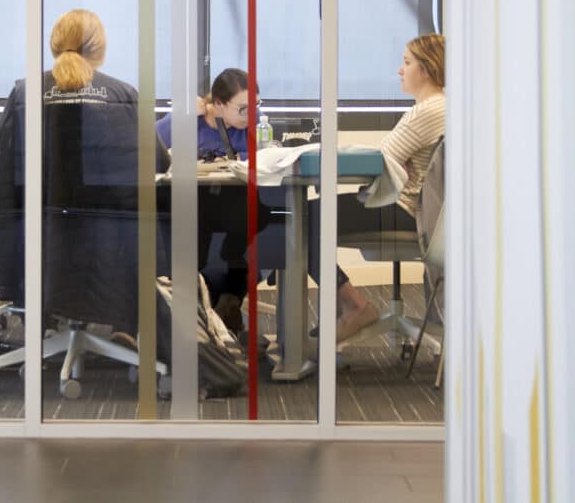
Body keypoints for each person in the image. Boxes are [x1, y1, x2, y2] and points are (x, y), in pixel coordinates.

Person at [0, 9, 166, 326]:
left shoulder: (25, 93)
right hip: (108, 245)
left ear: (54, 45)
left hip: (41, 241)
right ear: (100, 49)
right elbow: (159, 163)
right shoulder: (122, 95)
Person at [308, 33, 446, 341]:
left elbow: (381, 159)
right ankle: (347, 308)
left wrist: (392, 162)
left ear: (426, 69)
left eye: (407, 63)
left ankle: (354, 307)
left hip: (406, 209)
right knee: (308, 217)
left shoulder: (428, 110)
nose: (400, 70)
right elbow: (393, 160)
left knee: (299, 219)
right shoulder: (445, 107)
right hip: (422, 211)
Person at [155, 68, 274, 333]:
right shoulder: (193, 122)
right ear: (218, 105)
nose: (251, 114)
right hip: (194, 206)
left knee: (257, 225)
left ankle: (226, 303)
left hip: (237, 207)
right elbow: (152, 143)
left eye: (255, 105)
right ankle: (203, 308)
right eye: (243, 108)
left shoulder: (253, 122)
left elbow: (264, 157)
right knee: (193, 225)